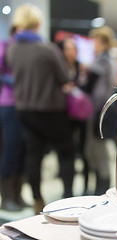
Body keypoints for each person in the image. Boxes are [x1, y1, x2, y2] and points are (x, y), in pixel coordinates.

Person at [7, 4, 75, 214]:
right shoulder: (47, 49)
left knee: (33, 155)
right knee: (66, 152)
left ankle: (37, 199)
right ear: (37, 24)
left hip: (24, 110)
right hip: (50, 110)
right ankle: (68, 198)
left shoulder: (12, 49)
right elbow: (64, 79)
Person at [83, 26, 115, 195]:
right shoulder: (109, 60)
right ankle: (101, 187)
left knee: (97, 150)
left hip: (97, 111)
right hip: (103, 109)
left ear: (101, 41)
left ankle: (101, 190)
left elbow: (88, 86)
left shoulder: (101, 61)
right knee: (98, 150)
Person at [57, 38, 90, 195]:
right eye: (67, 48)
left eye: (73, 48)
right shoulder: (58, 66)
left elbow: (86, 87)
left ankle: (85, 187)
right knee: (66, 150)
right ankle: (67, 190)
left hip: (80, 114)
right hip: (64, 114)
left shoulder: (80, 67)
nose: (70, 52)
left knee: (84, 150)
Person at [0, 26, 27, 212]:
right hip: (9, 104)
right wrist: (16, 81)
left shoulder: (28, 51)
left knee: (22, 151)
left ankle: (18, 194)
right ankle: (7, 197)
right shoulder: (5, 47)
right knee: (10, 150)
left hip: (27, 104)